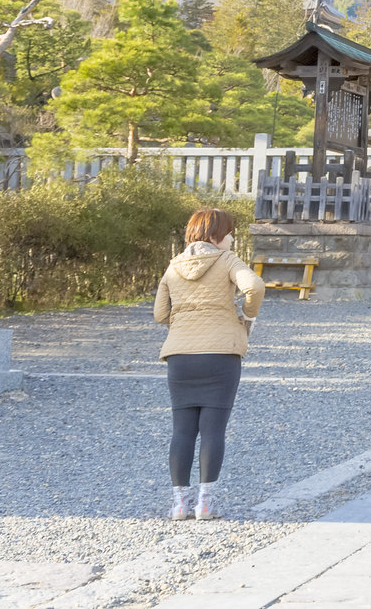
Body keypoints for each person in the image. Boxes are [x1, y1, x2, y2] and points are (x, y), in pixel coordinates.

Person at [155, 207, 263, 521]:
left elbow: (161, 314)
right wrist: (248, 315)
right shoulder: (226, 260)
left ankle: (178, 504)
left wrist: (183, 322)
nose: (231, 238)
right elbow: (254, 287)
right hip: (221, 355)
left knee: (182, 431)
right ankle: (205, 504)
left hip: (180, 358)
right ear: (216, 235)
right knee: (213, 430)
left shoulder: (173, 266)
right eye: (229, 233)